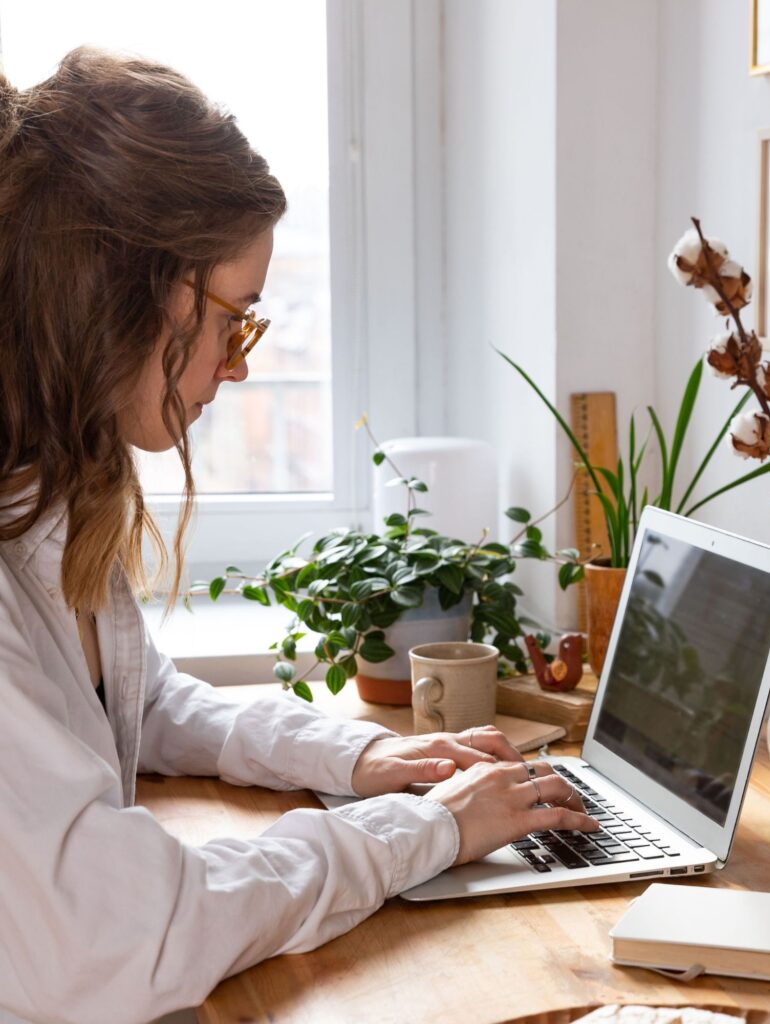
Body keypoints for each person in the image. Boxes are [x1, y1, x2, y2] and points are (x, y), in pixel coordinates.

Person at [0, 48, 598, 1024]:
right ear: (121, 292)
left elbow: (136, 704)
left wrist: (351, 759)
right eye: (235, 322)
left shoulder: (59, 489)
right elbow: (128, 933)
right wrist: (423, 831)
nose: (238, 370)